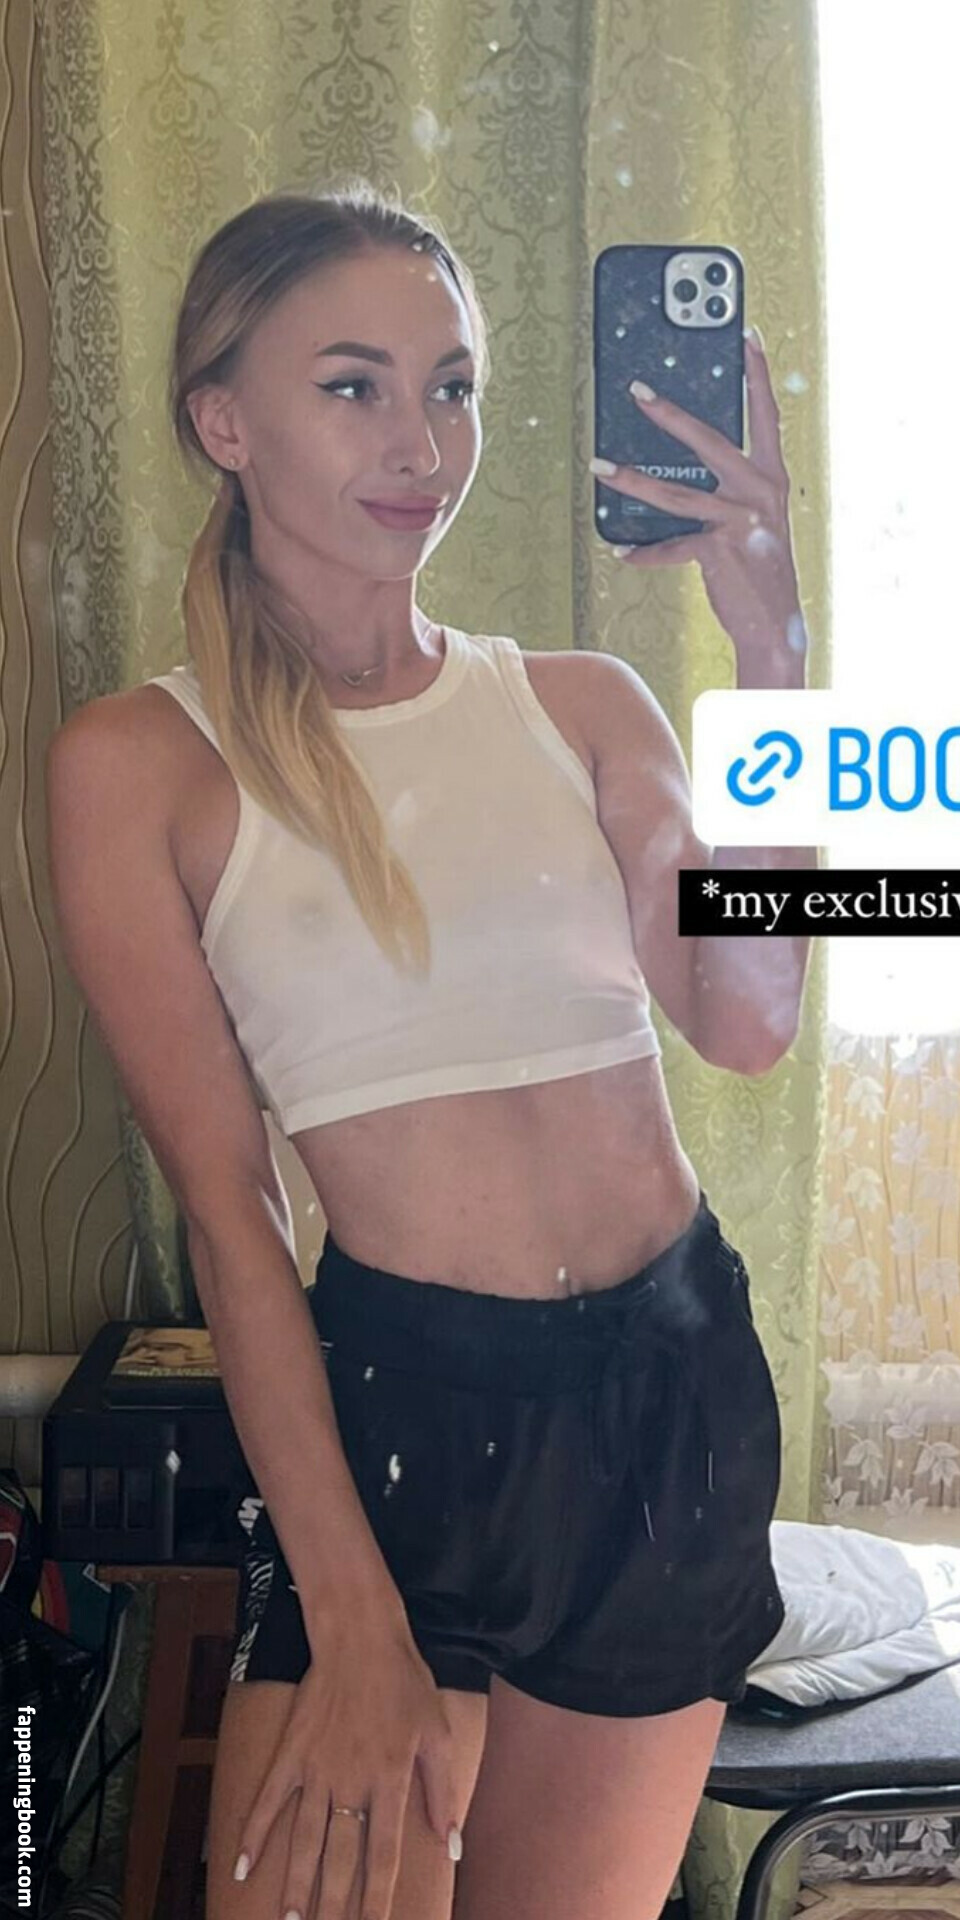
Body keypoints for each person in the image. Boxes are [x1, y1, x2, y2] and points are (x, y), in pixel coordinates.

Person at [45, 182, 809, 1920]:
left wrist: (775, 646)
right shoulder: (140, 765)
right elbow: (233, 1218)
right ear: (223, 422)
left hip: (673, 1395)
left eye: (451, 386)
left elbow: (750, 1020)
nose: (422, 442)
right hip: (400, 1422)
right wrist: (358, 1617)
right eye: (354, 385)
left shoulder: (582, 704)